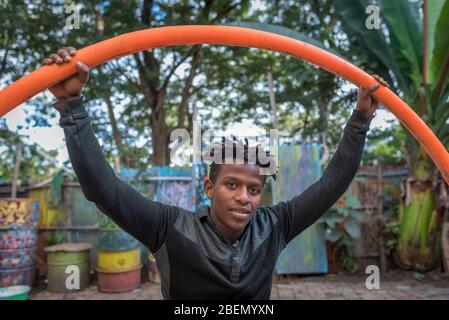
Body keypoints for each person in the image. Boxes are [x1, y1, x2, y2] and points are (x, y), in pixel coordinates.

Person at [43, 47, 389, 299]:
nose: (244, 197)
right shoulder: (170, 228)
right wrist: (71, 106)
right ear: (209, 186)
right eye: (232, 184)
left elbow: (331, 186)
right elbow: (103, 189)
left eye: (254, 189)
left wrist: (361, 118)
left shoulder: (275, 225)